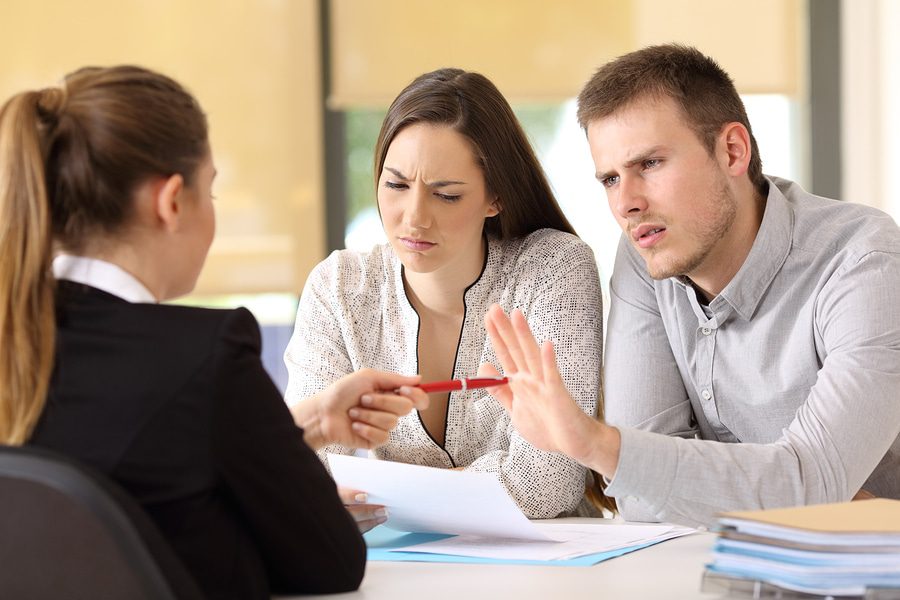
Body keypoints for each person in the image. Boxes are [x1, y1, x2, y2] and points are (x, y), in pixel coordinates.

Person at [0, 65, 428, 600]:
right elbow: (332, 560)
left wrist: (311, 422)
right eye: (211, 191)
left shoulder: (21, 341)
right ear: (171, 201)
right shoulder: (203, 355)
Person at [479, 44, 900, 529]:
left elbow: (807, 482)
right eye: (611, 179)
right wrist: (793, 492)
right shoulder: (646, 258)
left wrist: (599, 445)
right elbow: (639, 503)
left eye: (650, 164)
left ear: (732, 151)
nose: (627, 204)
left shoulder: (864, 261)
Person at [284, 68, 604, 522]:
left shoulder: (553, 268)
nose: (414, 218)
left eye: (446, 195)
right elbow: (303, 472)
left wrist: (382, 498)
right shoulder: (339, 286)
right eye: (396, 185)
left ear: (495, 197)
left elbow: (546, 483)